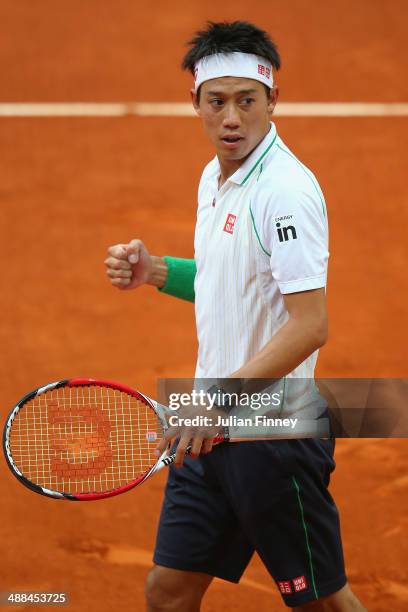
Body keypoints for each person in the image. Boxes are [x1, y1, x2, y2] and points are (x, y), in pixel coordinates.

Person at [104, 20, 365, 612]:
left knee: (321, 602)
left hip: (273, 433)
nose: (231, 118)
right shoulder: (216, 177)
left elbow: (309, 323)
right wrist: (156, 271)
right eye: (216, 102)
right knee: (168, 591)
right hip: (210, 424)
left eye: (247, 102)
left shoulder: (286, 192)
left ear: (273, 101)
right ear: (194, 103)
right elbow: (233, 285)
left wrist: (218, 400)